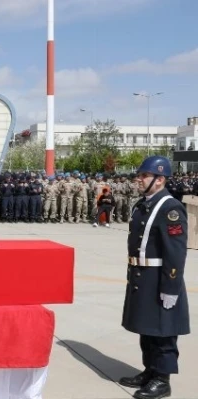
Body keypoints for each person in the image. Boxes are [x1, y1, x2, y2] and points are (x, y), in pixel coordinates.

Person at [119, 156, 189, 399]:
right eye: (139, 176)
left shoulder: (170, 208)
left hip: (160, 277)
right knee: (147, 329)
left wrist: (171, 286)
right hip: (143, 275)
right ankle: (150, 370)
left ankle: (162, 379)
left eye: (144, 176)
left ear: (159, 180)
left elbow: (175, 252)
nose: (139, 180)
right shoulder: (143, 204)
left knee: (163, 331)